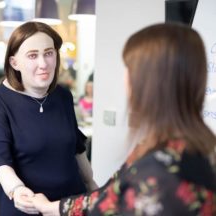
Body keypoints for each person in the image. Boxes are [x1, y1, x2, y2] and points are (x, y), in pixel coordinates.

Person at [30, 23, 216, 215]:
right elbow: (110, 196)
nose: (124, 79)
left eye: (128, 69)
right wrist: (52, 207)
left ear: (149, 82)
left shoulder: (159, 174)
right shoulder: (189, 144)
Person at [0, 21, 98, 216]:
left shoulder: (63, 95)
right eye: (32, 55)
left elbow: (76, 145)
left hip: (69, 203)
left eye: (49, 53)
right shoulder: (0, 102)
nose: (43, 63)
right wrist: (16, 189)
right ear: (14, 62)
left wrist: (91, 184)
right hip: (28, 205)